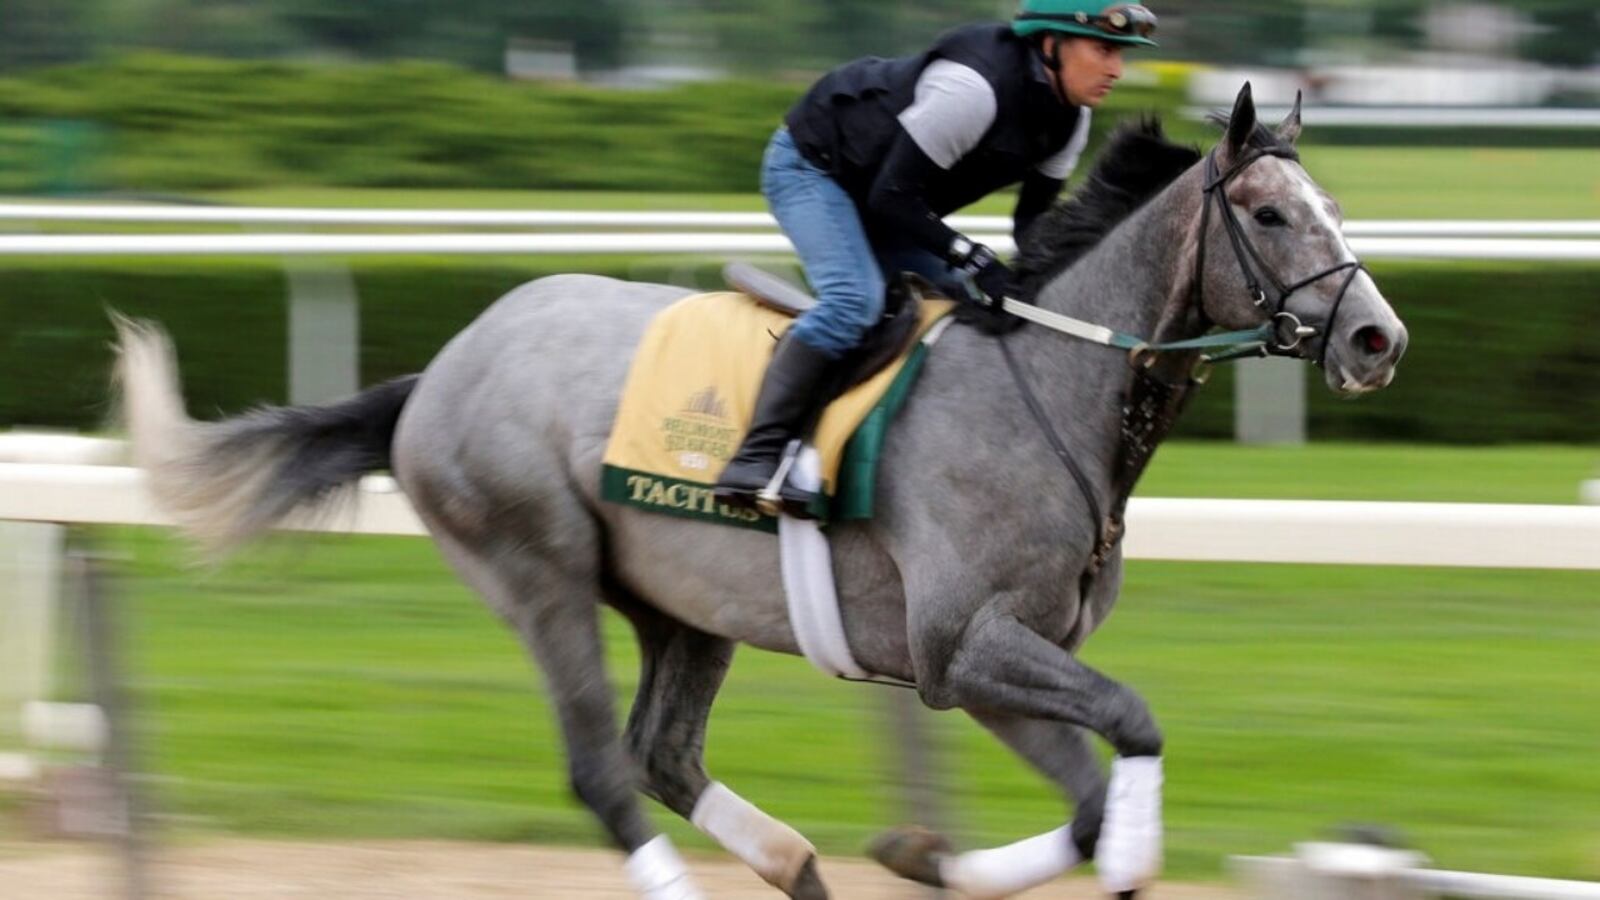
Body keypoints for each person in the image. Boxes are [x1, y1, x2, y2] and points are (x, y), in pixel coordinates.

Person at [714, 1, 1159, 513]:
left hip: (889, 197)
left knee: (966, 309)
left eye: (1121, 55)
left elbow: (1032, 225)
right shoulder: (973, 90)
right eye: (1103, 50)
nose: (1116, 70)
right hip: (816, 170)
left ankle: (865, 451)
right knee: (853, 303)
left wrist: (1036, 282)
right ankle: (756, 455)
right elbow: (892, 196)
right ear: (1050, 45)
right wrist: (973, 257)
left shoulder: (1071, 119)